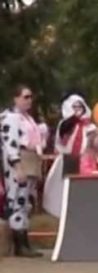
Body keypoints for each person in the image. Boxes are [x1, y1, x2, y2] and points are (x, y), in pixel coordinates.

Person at [1, 84, 45, 257]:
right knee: (17, 200)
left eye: (30, 97)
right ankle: (19, 244)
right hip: (18, 163)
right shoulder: (11, 118)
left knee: (25, 201)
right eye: (25, 97)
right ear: (16, 98)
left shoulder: (27, 118)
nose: (29, 100)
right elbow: (10, 143)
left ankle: (24, 241)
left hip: (31, 159)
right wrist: (17, 166)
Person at [54, 93, 96, 158]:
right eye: (74, 106)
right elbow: (60, 138)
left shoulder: (90, 126)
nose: (77, 109)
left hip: (84, 158)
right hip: (65, 157)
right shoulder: (64, 123)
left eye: (80, 106)